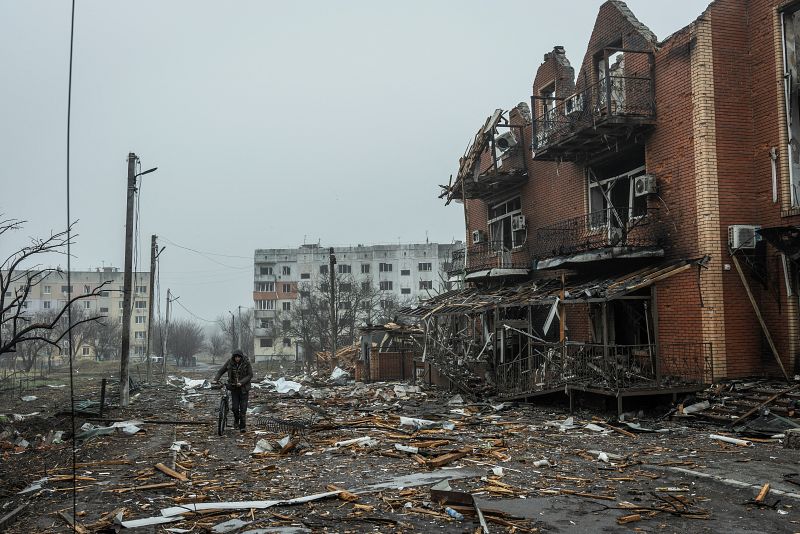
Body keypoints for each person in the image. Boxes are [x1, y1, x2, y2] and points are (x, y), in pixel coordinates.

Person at [213, 349, 253, 433]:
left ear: (241, 357)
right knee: (235, 408)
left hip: (244, 388)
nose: (237, 358)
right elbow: (221, 371)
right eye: (236, 357)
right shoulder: (230, 362)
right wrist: (216, 379)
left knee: (243, 409)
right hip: (234, 388)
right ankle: (236, 420)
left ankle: (242, 426)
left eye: (239, 357)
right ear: (233, 357)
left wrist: (241, 382)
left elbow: (250, 375)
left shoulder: (246, 363)